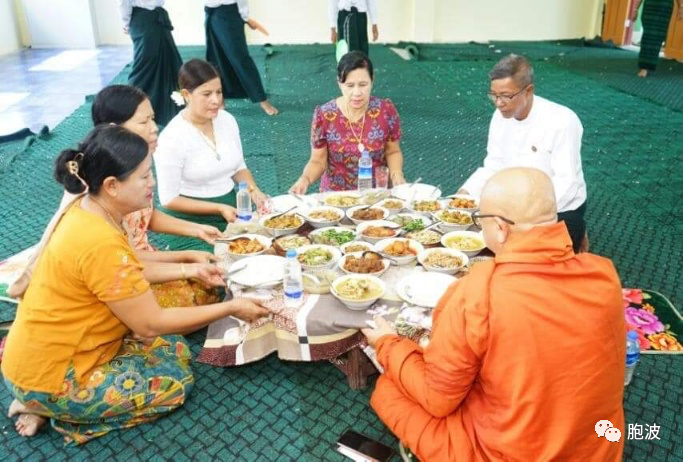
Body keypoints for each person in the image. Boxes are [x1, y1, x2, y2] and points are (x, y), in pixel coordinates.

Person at [2, 125, 270, 444]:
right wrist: (230, 307)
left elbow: (132, 263)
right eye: (144, 176)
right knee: (174, 383)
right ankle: (58, 413)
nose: (151, 183)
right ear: (113, 185)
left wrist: (190, 266)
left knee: (176, 347)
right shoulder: (98, 239)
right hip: (53, 374)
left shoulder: (89, 209)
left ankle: (45, 401)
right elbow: (151, 323)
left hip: (51, 355)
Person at [362, 167, 625, 462]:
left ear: (500, 227)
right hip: (600, 444)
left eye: (480, 220)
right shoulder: (604, 276)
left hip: (508, 453)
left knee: (388, 389)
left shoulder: (479, 290)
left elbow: (437, 400)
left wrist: (387, 343)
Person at [10, 85, 224, 309]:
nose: (154, 128)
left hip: (137, 259)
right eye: (144, 122)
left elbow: (146, 216)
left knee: (206, 284)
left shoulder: (133, 162)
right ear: (115, 129)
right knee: (196, 293)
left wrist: (195, 232)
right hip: (118, 269)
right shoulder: (101, 192)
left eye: (153, 119)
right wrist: (185, 263)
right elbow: (127, 261)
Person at [458, 54, 588, 253]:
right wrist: (466, 193)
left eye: (506, 96)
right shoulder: (500, 117)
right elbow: (494, 165)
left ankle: (578, 239)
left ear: (529, 91)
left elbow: (567, 184)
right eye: (494, 95)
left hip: (557, 208)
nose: (498, 103)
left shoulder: (562, 121)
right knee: (469, 237)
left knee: (529, 256)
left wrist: (523, 218)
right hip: (512, 203)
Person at [155, 59, 267, 227]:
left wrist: (254, 191)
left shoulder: (227, 120)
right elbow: (169, 199)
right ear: (186, 95)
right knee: (217, 253)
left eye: (219, 92)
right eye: (207, 94)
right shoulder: (171, 138)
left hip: (229, 209)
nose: (216, 100)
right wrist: (218, 208)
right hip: (187, 221)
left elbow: (238, 166)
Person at [289, 51, 405, 193]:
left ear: (372, 80)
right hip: (337, 197)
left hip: (376, 195)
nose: (357, 93)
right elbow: (318, 160)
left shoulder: (386, 110)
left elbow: (392, 151)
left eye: (363, 84)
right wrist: (304, 179)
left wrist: (396, 174)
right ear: (339, 83)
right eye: (350, 86)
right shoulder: (324, 115)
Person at [204, 0, 279, 116]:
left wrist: (245, 17)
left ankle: (262, 100)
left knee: (240, 58)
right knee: (216, 57)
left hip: (229, 13)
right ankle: (221, 98)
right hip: (211, 14)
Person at [119, 0, 183, 126]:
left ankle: (160, 108)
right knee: (144, 65)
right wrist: (126, 22)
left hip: (152, 18)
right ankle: (129, 107)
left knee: (167, 62)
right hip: (144, 18)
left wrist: (126, 22)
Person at [632, 0, 683, 77]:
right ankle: (644, 66)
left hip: (664, 7)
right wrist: (635, 9)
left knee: (657, 36)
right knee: (647, 34)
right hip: (650, 6)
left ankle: (646, 66)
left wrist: (681, 7)